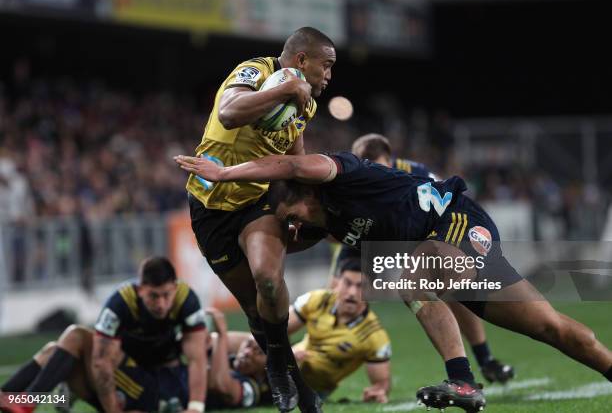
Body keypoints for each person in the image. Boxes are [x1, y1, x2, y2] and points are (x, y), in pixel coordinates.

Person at [174, 151, 612, 412]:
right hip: (435, 249)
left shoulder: (338, 173)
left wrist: (226, 173)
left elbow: (289, 162)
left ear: (305, 194)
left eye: (290, 218)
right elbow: (282, 257)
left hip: (458, 221)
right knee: (551, 327)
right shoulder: (321, 225)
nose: (290, 230)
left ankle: (463, 380)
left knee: (409, 275)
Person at [185, 26, 335, 412]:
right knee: (254, 309)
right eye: (326, 65)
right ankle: (289, 375)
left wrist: (301, 202)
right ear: (301, 60)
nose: (329, 75)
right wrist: (284, 89)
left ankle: (281, 373)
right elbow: (229, 113)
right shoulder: (255, 70)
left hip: (257, 203)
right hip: (209, 207)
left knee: (268, 280)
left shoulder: (308, 106)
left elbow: (294, 158)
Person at [329, 133, 515, 385]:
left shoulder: (415, 172)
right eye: (366, 167)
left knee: (454, 292)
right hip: (365, 238)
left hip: (413, 236)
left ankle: (484, 360)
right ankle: (327, 359)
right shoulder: (348, 179)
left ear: (391, 161)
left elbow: (446, 204)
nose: (371, 173)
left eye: (378, 167)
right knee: (340, 288)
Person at [0, 257, 208, 413]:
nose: (161, 303)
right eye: (154, 296)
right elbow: (100, 363)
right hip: (118, 382)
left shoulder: (186, 300)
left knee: (76, 337)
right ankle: (8, 396)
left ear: (174, 287)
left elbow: (197, 358)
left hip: (155, 387)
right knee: (55, 352)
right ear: (140, 289)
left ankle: (29, 401)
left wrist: (196, 407)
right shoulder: (121, 302)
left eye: (166, 295)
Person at [289, 257, 391, 402]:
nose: (352, 293)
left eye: (360, 286)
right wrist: (287, 355)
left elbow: (381, 385)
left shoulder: (374, 335)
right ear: (337, 282)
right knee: (250, 342)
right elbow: (274, 332)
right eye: (347, 283)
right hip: (281, 368)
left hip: (310, 390)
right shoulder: (317, 300)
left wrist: (378, 392)